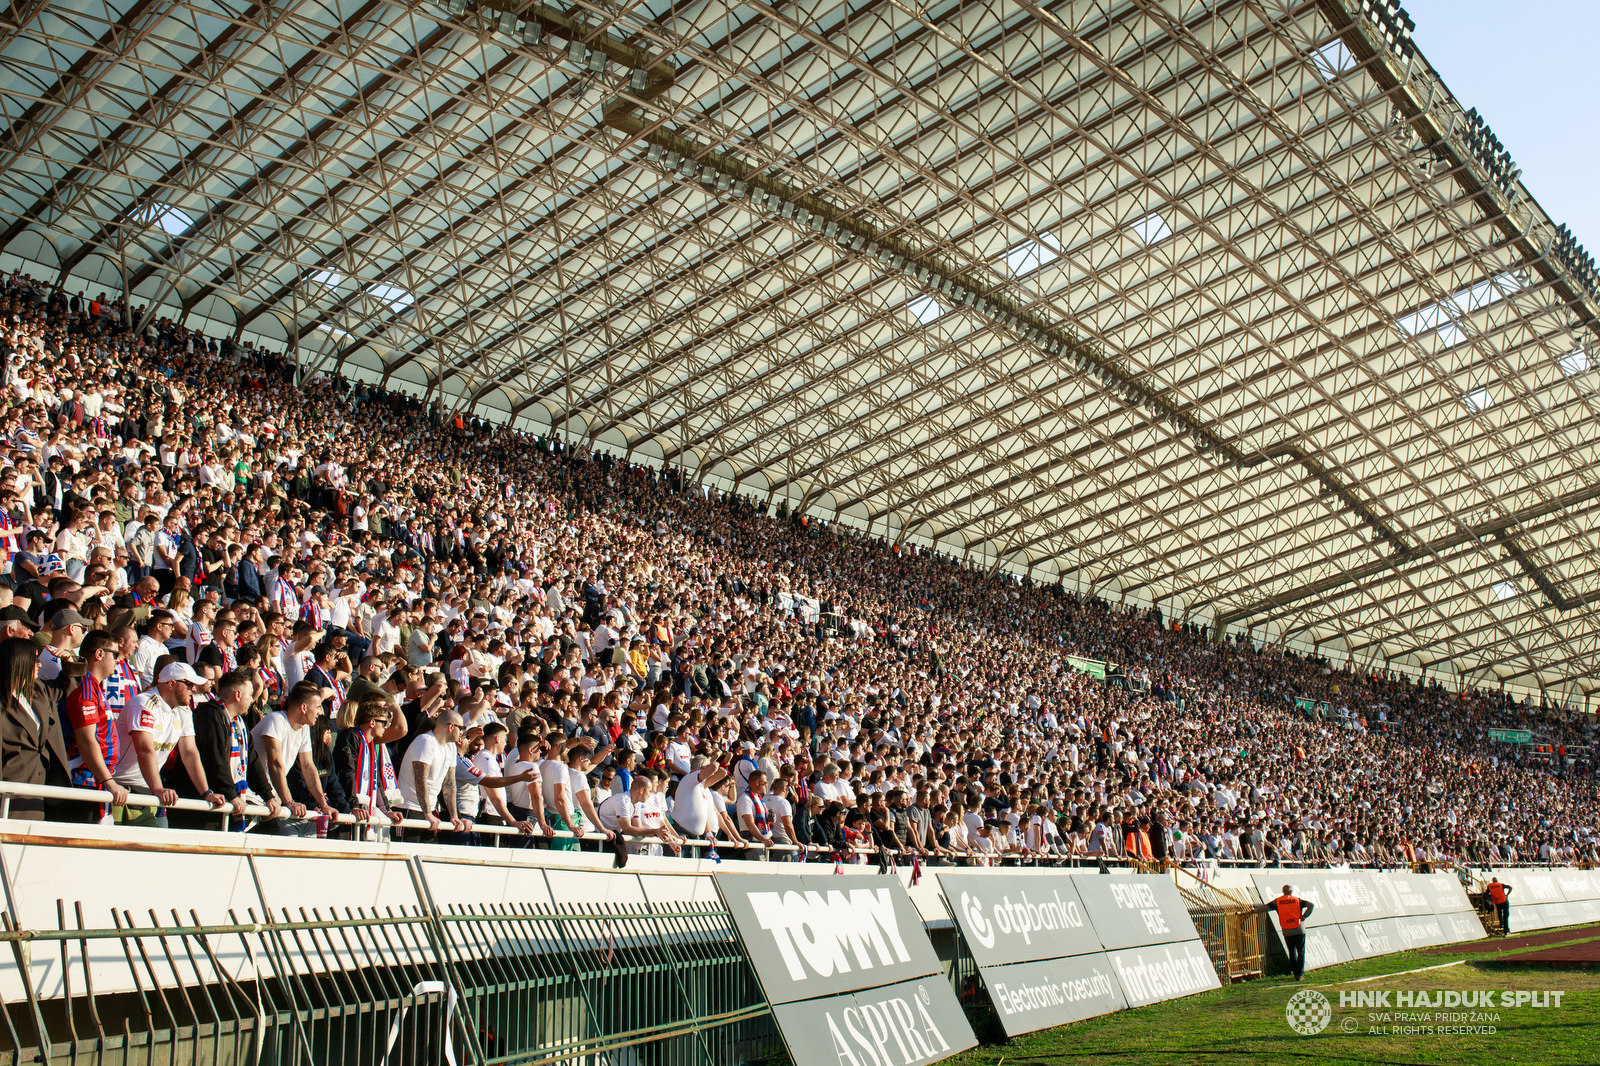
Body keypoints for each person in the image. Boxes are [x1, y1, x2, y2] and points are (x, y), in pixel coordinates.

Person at [108, 661, 228, 827]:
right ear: (171, 684)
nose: (194, 689)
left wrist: (206, 792)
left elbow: (190, 753)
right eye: (189, 684)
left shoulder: (184, 710)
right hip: (119, 785)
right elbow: (144, 749)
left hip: (146, 788)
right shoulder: (143, 703)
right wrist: (158, 788)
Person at [250, 679, 337, 836]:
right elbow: (275, 763)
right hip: (254, 796)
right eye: (318, 707)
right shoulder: (276, 720)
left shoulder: (304, 729)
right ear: (304, 707)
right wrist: (289, 801)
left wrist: (323, 805)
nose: (320, 712)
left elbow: (309, 767)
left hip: (272, 799)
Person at [0, 636, 72, 819]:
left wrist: (69, 661)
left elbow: (68, 687)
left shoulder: (38, 691)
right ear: (19, 661)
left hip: (40, 790)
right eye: (35, 660)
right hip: (10, 792)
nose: (40, 665)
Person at [1259, 884, 1315, 981]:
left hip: (1287, 930)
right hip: (1299, 929)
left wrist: (1254, 911)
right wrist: (1304, 916)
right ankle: (1299, 974)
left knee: (1291, 952)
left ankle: (1294, 972)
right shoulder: (1298, 900)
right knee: (1301, 952)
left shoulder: (1278, 901)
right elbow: (1311, 905)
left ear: (1283, 891)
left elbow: (1265, 907)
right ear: (1291, 891)